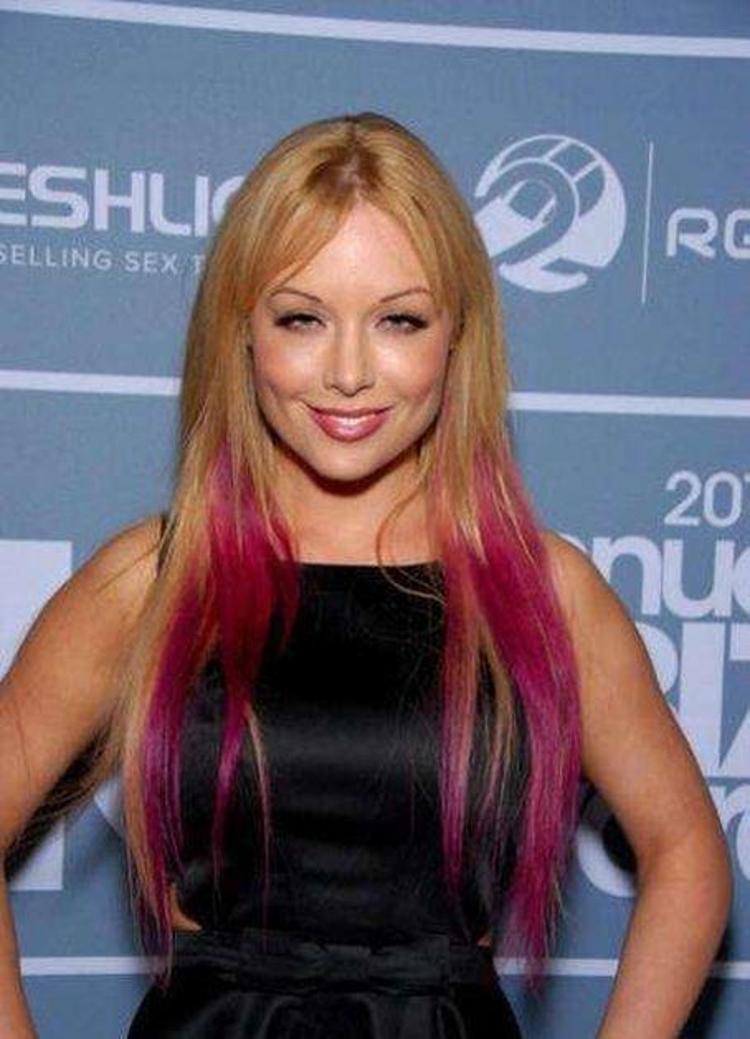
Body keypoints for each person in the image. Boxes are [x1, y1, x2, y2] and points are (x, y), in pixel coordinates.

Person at [0, 111, 732, 1039]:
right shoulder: (153, 578)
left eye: (399, 319)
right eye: (302, 318)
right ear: (242, 333)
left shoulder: (544, 592)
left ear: (457, 336)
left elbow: (686, 849)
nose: (349, 372)